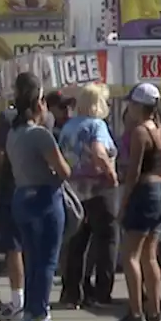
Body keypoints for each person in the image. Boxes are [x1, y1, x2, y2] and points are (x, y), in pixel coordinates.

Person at [5, 73, 72, 321]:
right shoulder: (40, 135)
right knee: (47, 259)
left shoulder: (13, 134)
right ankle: (40, 313)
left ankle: (30, 314)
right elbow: (63, 170)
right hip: (44, 196)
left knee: (32, 258)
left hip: (22, 195)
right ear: (38, 104)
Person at [110, 83, 161, 321]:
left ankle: (136, 312)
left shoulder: (139, 133)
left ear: (138, 106)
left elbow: (132, 173)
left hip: (143, 192)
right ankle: (155, 312)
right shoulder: (159, 130)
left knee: (130, 253)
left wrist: (123, 203)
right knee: (150, 255)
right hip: (159, 192)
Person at [57, 83, 119, 309]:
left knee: (76, 242)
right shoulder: (97, 125)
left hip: (73, 189)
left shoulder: (68, 127)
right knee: (107, 239)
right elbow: (99, 152)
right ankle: (102, 291)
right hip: (98, 189)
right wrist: (111, 174)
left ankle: (72, 292)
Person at [0, 100, 27, 320]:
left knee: (14, 248)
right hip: (35, 185)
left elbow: (0, 154)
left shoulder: (7, 118)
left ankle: (18, 301)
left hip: (11, 187)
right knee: (33, 246)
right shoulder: (45, 118)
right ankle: (35, 300)